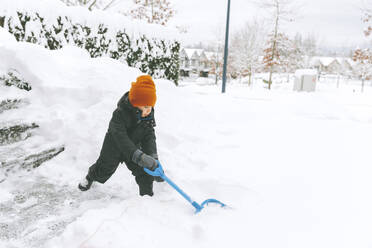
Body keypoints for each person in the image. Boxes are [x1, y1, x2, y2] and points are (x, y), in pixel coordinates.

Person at [78, 74, 163, 196]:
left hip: (134, 147)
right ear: (135, 103)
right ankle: (90, 177)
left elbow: (149, 135)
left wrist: (152, 157)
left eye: (151, 105)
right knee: (104, 169)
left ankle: (147, 197)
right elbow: (120, 136)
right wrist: (138, 156)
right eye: (145, 106)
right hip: (114, 146)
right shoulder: (120, 114)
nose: (149, 109)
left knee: (144, 171)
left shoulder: (147, 114)